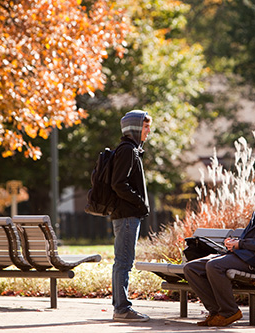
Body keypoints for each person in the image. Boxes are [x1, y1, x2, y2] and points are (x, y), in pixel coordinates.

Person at [183, 171, 255, 327]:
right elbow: (248, 238)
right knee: (191, 268)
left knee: (214, 265)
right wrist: (235, 243)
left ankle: (229, 311)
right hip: (242, 255)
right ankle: (216, 312)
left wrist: (241, 244)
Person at [110, 110, 152, 322]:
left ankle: (120, 307)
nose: (148, 131)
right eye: (145, 126)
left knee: (122, 262)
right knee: (124, 262)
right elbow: (119, 184)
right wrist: (140, 202)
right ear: (135, 128)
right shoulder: (127, 150)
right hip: (127, 216)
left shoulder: (131, 149)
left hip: (127, 215)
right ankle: (122, 309)